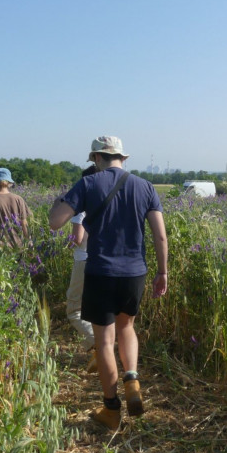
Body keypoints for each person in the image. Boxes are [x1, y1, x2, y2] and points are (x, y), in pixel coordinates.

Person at [49, 136, 168, 430]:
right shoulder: (145, 187)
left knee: (104, 341)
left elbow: (55, 221)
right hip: (135, 273)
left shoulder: (88, 184)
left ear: (97, 159)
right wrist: (162, 272)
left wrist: (63, 198)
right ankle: (132, 379)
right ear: (123, 159)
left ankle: (111, 410)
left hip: (101, 271)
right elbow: (159, 235)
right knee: (127, 326)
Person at [66, 165, 98, 373]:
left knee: (75, 309)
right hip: (107, 262)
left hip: (84, 260)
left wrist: (67, 243)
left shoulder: (82, 207)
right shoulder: (109, 203)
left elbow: (77, 239)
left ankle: (96, 343)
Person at [0, 167, 32, 249]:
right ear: (9, 182)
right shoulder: (18, 199)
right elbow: (24, 223)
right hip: (18, 244)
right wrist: (29, 241)